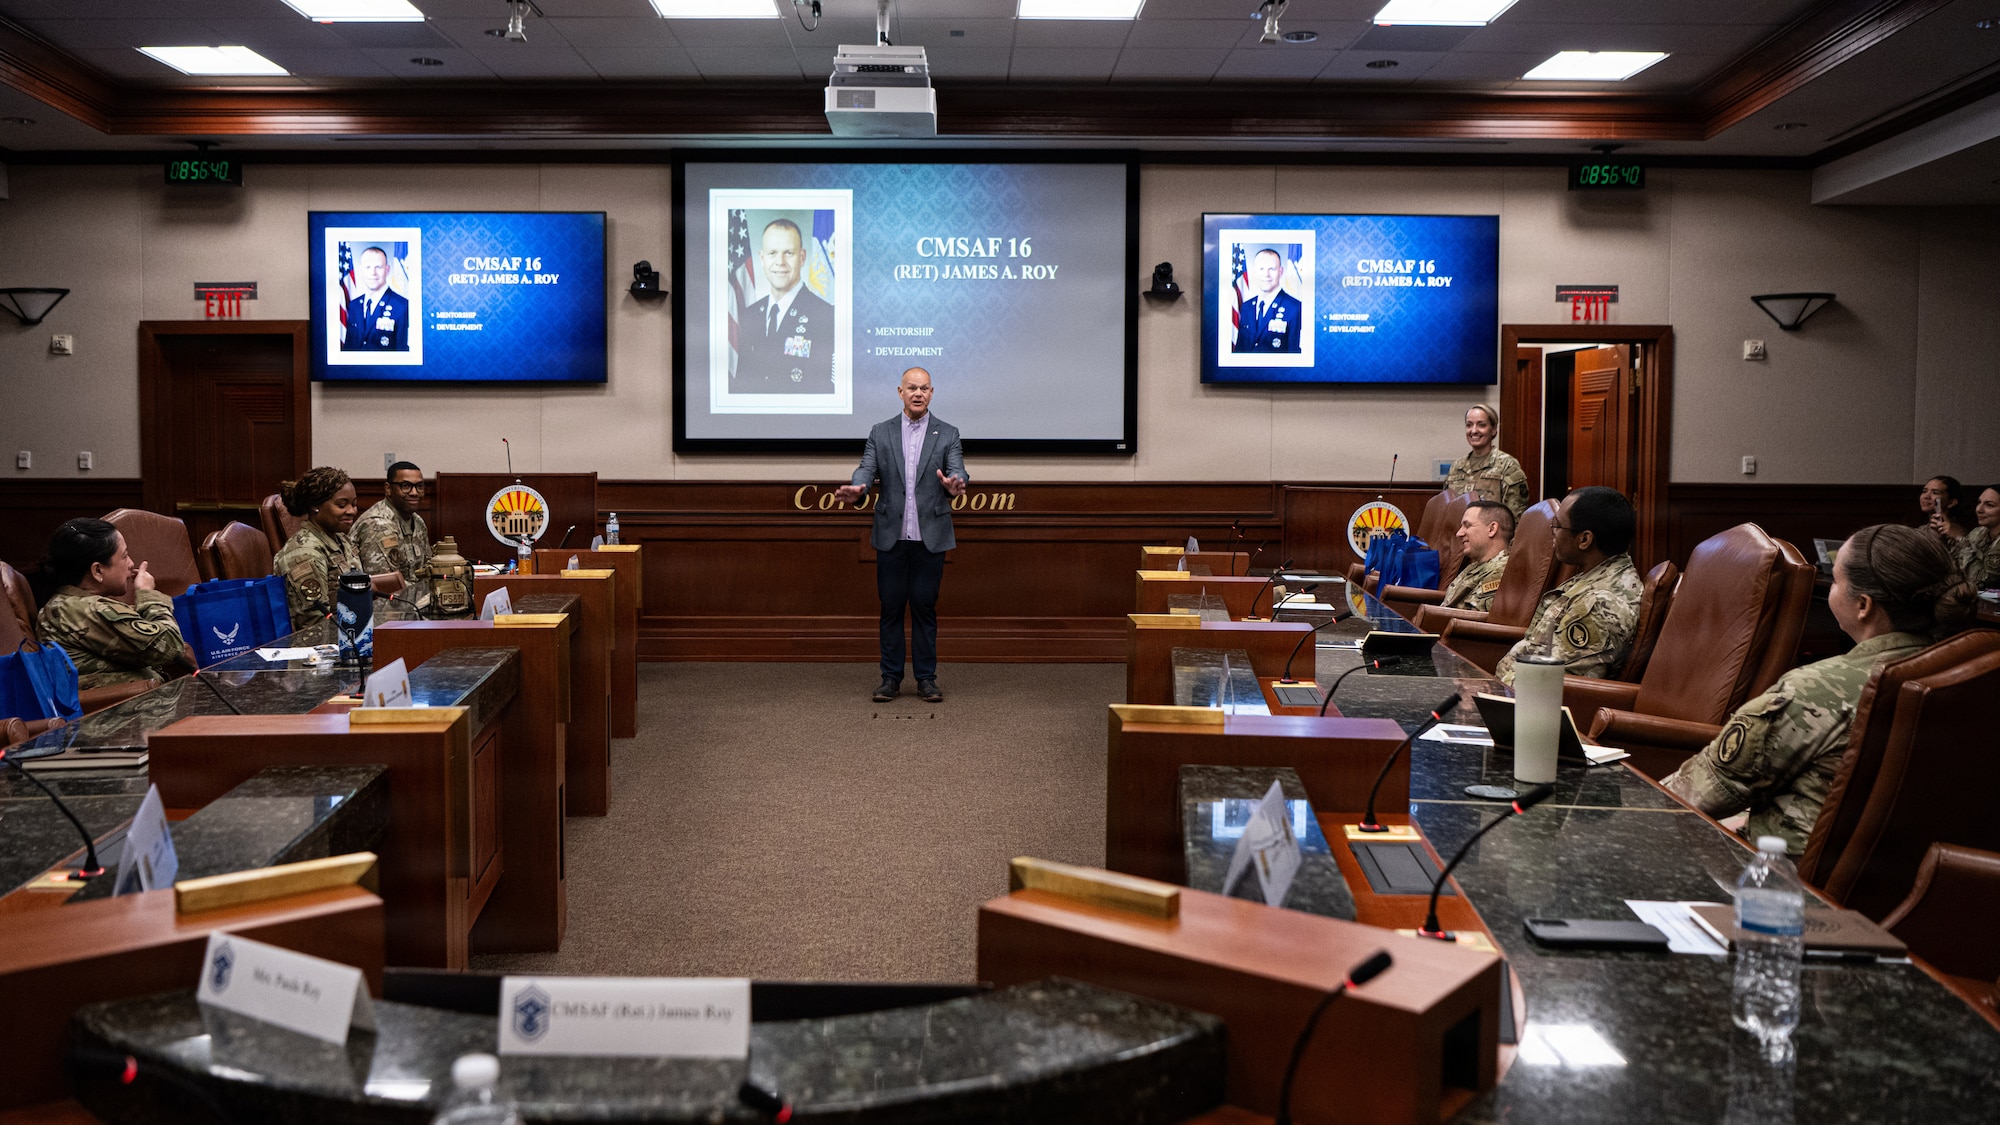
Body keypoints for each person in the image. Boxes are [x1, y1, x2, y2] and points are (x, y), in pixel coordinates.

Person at [1663, 524, 1972, 855]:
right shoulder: (1972, 676)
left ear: (1864, 604)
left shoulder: (1815, 690)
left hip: (1782, 887)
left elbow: (1690, 795)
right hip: (1932, 883)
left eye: (1837, 581)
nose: (1833, 591)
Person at [833, 367, 968, 703]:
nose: (918, 393)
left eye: (924, 388)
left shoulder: (947, 432)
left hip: (930, 537)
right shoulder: (881, 432)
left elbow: (958, 469)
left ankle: (926, 680)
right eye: (912, 388)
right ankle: (890, 678)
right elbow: (866, 468)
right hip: (892, 536)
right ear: (900, 392)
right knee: (891, 609)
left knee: (924, 608)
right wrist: (859, 487)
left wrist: (956, 484)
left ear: (932, 393)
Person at [1495, 486, 1642, 686]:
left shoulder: (1599, 603)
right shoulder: (1591, 577)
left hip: (1528, 705)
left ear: (1584, 539)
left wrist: (1490, 691)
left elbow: (1548, 683)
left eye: (1558, 526)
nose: (1552, 534)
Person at [35, 518, 190, 689]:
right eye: (124, 556)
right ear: (98, 571)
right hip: (128, 709)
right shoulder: (83, 610)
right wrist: (148, 595)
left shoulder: (70, 604)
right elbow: (171, 647)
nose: (131, 564)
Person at [273, 467, 396, 630]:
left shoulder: (341, 539)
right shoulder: (304, 554)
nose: (351, 511)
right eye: (342, 505)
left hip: (353, 631)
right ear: (315, 505)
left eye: (354, 504)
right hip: (323, 645)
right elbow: (314, 625)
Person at [735, 219, 835, 393]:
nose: (780, 261)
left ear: (802, 257)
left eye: (788, 253)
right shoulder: (750, 314)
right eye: (772, 253)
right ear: (762, 258)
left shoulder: (826, 315)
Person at [353, 461, 430, 612]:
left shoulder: (417, 521)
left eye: (419, 486)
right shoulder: (379, 525)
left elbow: (426, 569)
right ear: (388, 489)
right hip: (382, 613)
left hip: (411, 606)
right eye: (406, 486)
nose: (414, 492)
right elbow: (385, 588)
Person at [1445, 404, 1530, 518]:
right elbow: (1446, 512)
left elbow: (1515, 518)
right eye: (1469, 425)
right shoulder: (1456, 467)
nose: (1474, 431)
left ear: (1493, 430)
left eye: (1481, 425)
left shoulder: (1507, 466)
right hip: (1458, 533)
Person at [1441, 500, 1513, 612]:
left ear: (1492, 529)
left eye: (1467, 525)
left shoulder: (1502, 571)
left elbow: (1472, 620)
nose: (1459, 533)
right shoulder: (1475, 567)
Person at [1232, 248, 1302, 354]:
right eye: (1261, 269)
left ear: (1281, 272)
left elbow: (1295, 355)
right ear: (1255, 272)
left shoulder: (1295, 308)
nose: (1266, 274)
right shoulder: (1246, 307)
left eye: (1272, 269)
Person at [341, 246, 410, 351]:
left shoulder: (402, 306)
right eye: (368, 267)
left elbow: (403, 351)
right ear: (360, 271)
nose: (373, 273)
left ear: (387, 270)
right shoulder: (354, 305)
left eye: (378, 267)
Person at [1955, 485, 2000, 590]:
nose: (1979, 509)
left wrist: (1962, 540)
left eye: (1989, 505)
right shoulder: (1978, 532)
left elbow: (1981, 579)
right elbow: (1955, 567)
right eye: (1979, 502)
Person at [1924, 475, 1971, 547]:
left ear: (1951, 502)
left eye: (1935, 493)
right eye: (1924, 491)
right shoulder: (1921, 530)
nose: (1926, 496)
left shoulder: (1957, 531)